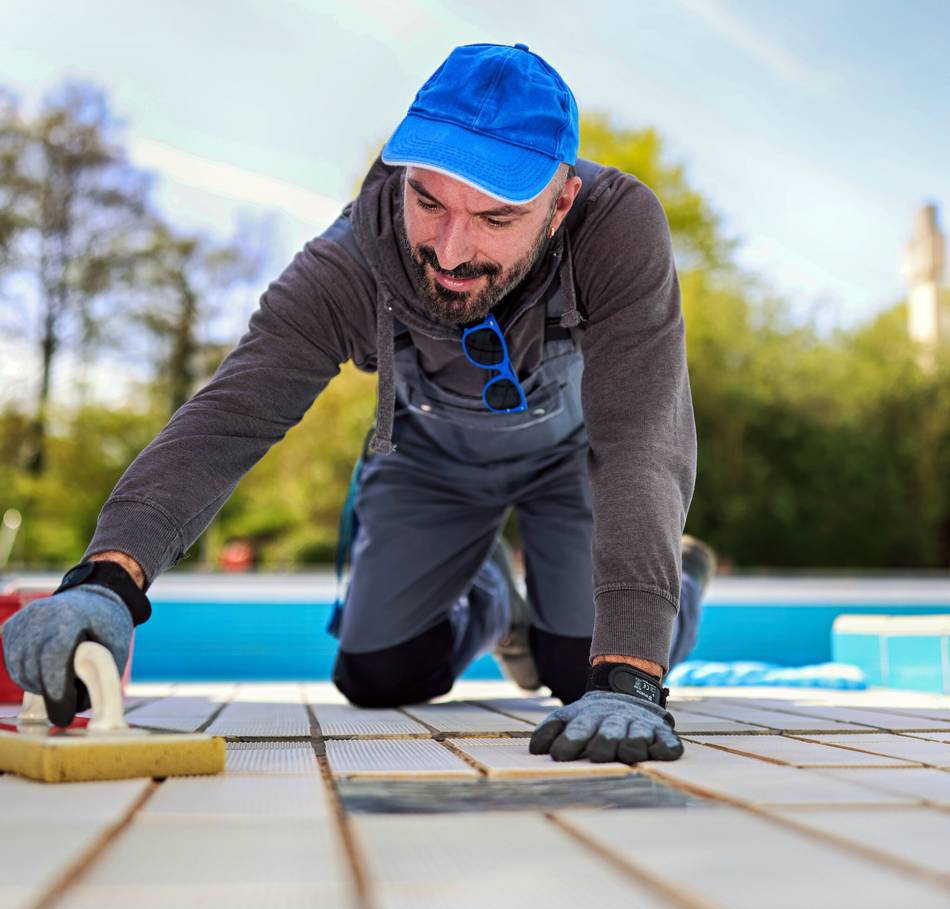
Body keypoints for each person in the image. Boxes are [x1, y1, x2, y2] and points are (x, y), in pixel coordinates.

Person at [1, 43, 713, 764]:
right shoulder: (348, 264)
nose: (450, 249)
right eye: (427, 201)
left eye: (497, 219)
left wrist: (629, 677)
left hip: (572, 459)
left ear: (560, 203)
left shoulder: (617, 229)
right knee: (378, 676)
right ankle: (490, 595)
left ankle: (676, 573)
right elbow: (230, 416)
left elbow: (642, 439)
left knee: (577, 670)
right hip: (432, 460)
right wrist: (107, 581)